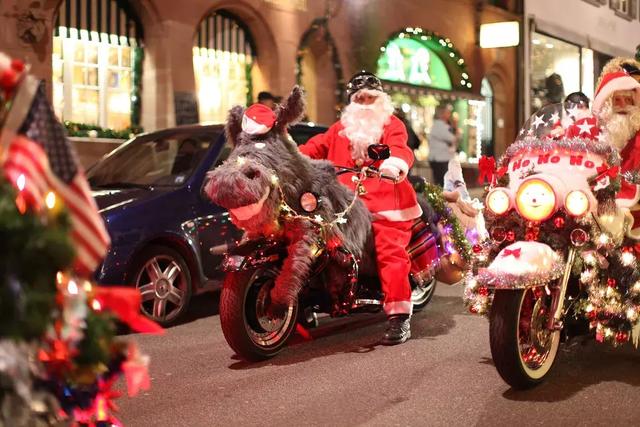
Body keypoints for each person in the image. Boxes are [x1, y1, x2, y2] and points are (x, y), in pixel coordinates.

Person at [298, 70, 422, 345]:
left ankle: (398, 317)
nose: (365, 103)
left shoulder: (391, 125)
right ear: (352, 102)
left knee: (390, 251)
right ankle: (306, 301)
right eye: (360, 98)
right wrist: (287, 157)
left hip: (386, 201)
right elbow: (311, 148)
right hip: (343, 203)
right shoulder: (339, 130)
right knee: (310, 237)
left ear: (381, 100)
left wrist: (393, 164)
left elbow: (400, 149)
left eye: (371, 97)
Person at [592, 68, 640, 238]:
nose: (623, 106)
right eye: (617, 100)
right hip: (590, 215)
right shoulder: (589, 134)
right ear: (605, 104)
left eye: (628, 100)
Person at [428, 104, 457, 186]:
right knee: (443, 184)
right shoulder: (439, 126)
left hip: (441, 159)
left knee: (443, 184)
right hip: (440, 160)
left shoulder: (442, 125)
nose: (449, 115)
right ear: (442, 114)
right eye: (447, 113)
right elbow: (452, 138)